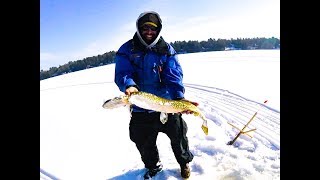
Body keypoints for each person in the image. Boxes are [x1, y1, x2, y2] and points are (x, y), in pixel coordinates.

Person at [114, 11, 198, 179]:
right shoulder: (127, 49)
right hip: (140, 106)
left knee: (179, 136)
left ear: (158, 29)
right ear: (139, 29)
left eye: (153, 28)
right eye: (145, 28)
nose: (149, 32)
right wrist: (129, 85)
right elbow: (123, 72)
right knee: (142, 141)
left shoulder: (166, 50)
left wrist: (179, 98)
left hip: (166, 104)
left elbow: (173, 75)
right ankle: (153, 166)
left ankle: (184, 162)